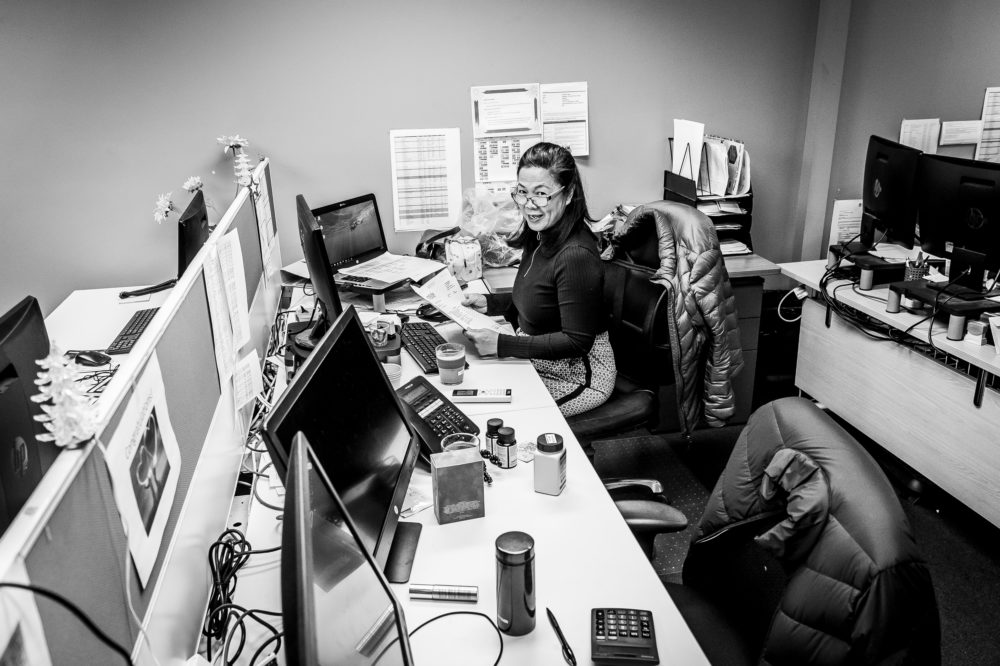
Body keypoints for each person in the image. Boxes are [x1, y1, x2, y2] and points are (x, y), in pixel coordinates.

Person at [462, 142, 615, 417]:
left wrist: (501, 345)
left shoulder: (575, 255)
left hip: (579, 376)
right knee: (472, 396)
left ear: (568, 195)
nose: (529, 205)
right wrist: (491, 303)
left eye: (541, 194)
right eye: (522, 193)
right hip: (540, 359)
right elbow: (542, 298)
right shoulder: (540, 233)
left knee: (503, 419)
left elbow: (576, 341)